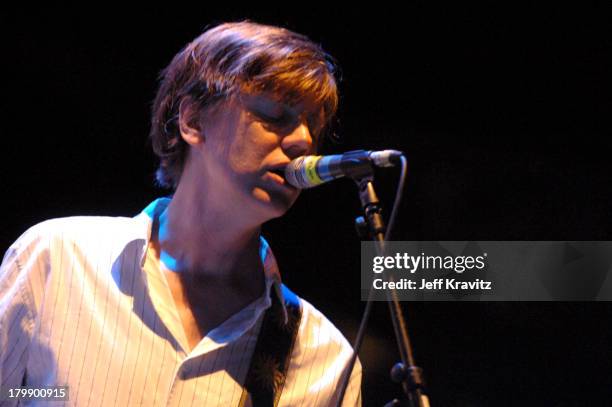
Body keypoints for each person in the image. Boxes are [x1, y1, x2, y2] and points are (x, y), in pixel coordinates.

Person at [0, 21, 362, 406]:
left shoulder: (326, 361)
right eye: (275, 115)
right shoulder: (56, 259)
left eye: (313, 126)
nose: (304, 141)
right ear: (192, 121)